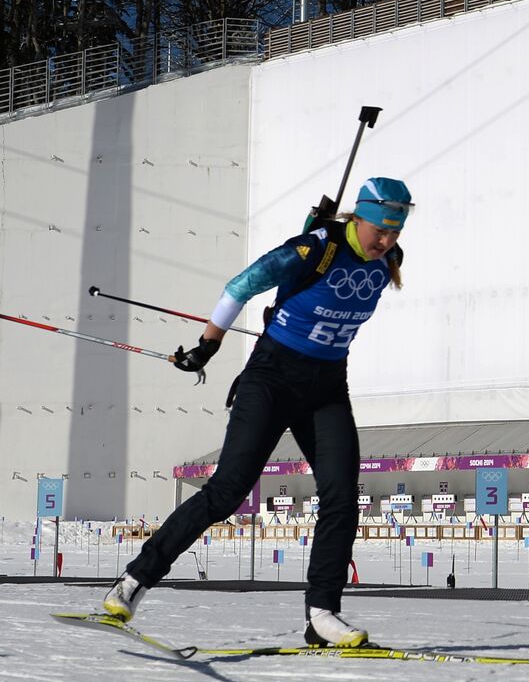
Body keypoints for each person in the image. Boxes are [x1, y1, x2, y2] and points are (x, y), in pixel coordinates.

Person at [102, 177, 412, 648]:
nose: (387, 241)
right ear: (359, 216)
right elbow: (240, 286)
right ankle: (134, 581)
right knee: (226, 492)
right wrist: (207, 347)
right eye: (381, 230)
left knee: (342, 496)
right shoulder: (315, 248)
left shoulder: (387, 259)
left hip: (327, 387)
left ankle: (323, 614)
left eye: (396, 231)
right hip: (270, 379)